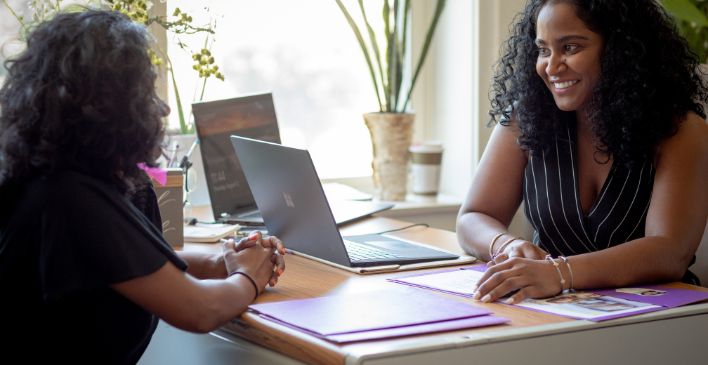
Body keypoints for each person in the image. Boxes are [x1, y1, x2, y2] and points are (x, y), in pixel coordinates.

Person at [0, 10, 285, 363]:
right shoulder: (70, 201)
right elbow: (200, 310)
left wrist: (221, 260)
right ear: (105, 108)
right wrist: (249, 275)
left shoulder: (56, 182)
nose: (163, 108)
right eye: (146, 95)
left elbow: (132, 262)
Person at [457, 0, 707, 305]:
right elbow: (473, 216)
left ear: (619, 49)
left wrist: (559, 274)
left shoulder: (682, 130)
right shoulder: (526, 119)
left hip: (658, 318)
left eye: (570, 48)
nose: (550, 67)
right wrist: (506, 244)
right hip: (552, 310)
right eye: (543, 50)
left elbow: (669, 251)